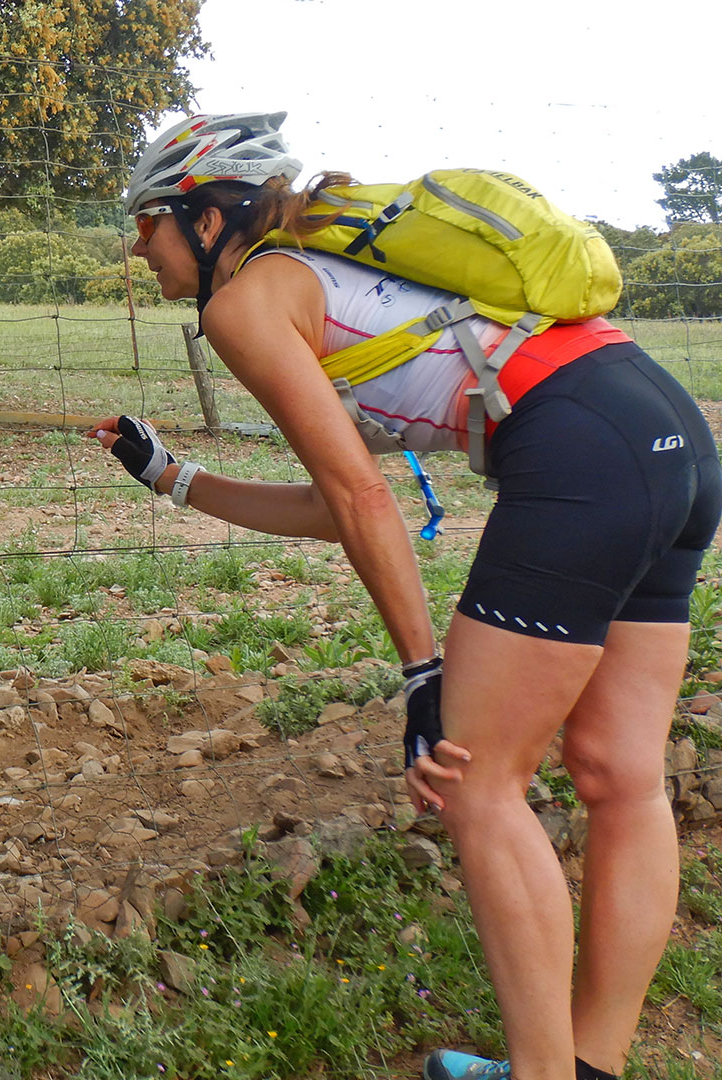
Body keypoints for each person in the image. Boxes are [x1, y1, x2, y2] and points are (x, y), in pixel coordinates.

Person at [91, 112, 721, 1080]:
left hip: (580, 453)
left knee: (475, 780)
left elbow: (360, 496)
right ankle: (590, 1067)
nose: (140, 248)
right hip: (659, 425)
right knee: (617, 773)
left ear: (206, 220)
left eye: (148, 223)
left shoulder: (246, 305)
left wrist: (424, 674)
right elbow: (337, 503)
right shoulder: (332, 273)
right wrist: (173, 477)